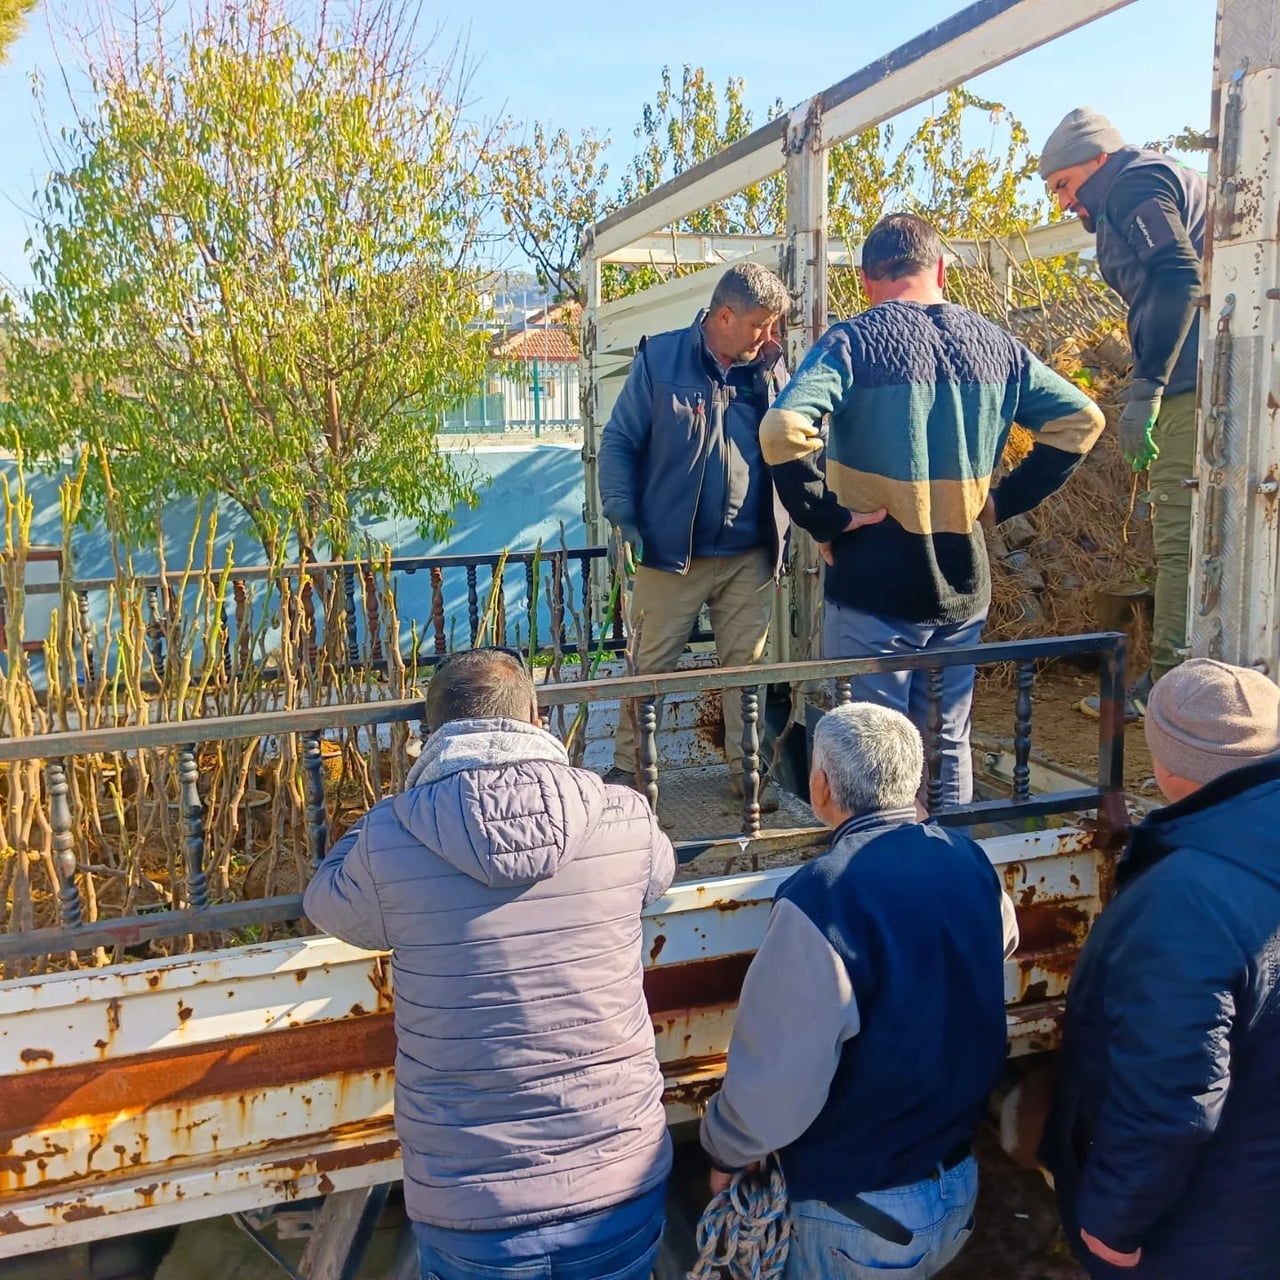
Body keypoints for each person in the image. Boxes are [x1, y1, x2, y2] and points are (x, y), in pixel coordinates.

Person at [302, 648, 676, 1280]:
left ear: (433, 733)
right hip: (619, 1177)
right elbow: (658, 875)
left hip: (470, 1198)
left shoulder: (391, 836)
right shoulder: (622, 815)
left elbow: (326, 904)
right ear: (536, 718)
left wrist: (374, 824)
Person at [761, 212, 1105, 805]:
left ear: (868, 281)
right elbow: (1083, 420)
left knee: (871, 753)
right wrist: (1002, 502)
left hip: (874, 586)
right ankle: (950, 871)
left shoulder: (856, 340)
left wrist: (827, 519)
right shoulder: (998, 347)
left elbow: (783, 429)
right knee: (947, 744)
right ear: (940, 268)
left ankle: (883, 878)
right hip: (963, 585)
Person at [699, 701, 1019, 1279]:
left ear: (820, 786)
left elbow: (780, 1078)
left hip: (858, 1212)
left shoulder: (821, 897)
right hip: (954, 1184)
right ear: (913, 779)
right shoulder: (969, 861)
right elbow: (1003, 943)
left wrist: (727, 1150)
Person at [1041, 658, 1280, 1280]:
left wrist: (1113, 1219)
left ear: (1167, 768)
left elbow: (1173, 1095)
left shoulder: (1186, 898)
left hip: (1207, 1230)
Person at [597, 261, 790, 810]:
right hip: (669, 555)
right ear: (724, 315)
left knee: (745, 671)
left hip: (750, 556)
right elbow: (619, 443)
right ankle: (628, 772)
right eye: (760, 325)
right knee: (648, 670)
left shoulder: (770, 370)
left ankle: (748, 773)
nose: (769, 337)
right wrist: (625, 521)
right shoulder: (659, 359)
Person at [1038, 108, 1206, 719]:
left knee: (1182, 536)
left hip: (1193, 382)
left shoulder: (1133, 183)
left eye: (1063, 185)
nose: (1063, 203)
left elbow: (1179, 273)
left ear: (1097, 160)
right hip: (1207, 376)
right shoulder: (1149, 184)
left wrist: (1149, 387)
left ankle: (1172, 692)